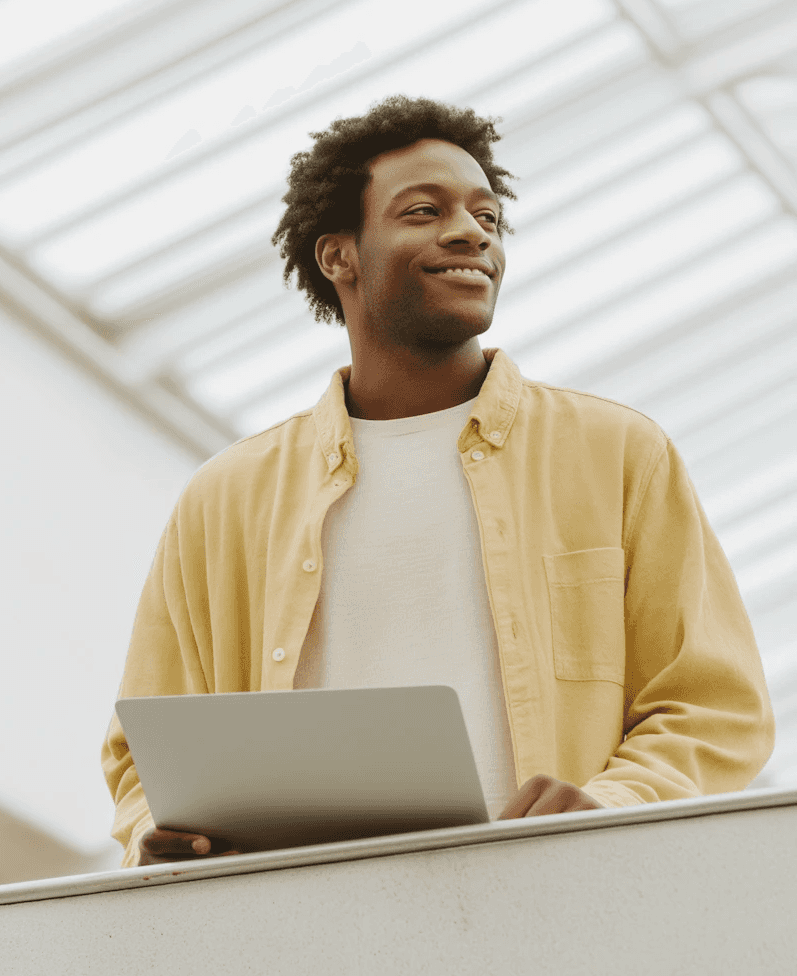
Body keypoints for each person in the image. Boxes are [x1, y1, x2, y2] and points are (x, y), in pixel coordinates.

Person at [102, 94, 775, 868]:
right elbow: (143, 743)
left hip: (555, 907)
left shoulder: (618, 454)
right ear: (339, 256)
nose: (471, 234)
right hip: (304, 924)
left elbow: (716, 704)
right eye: (424, 212)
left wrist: (615, 804)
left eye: (487, 218)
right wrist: (160, 831)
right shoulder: (226, 499)